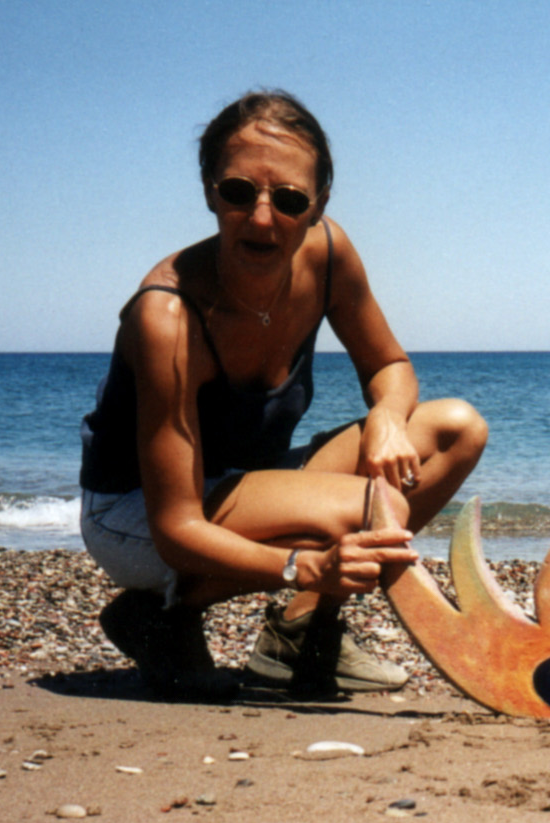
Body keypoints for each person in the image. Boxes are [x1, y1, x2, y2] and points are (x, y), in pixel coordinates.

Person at [79, 89, 487, 699]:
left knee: (455, 429)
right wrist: (304, 566)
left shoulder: (328, 254)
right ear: (209, 190)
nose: (263, 218)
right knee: (372, 507)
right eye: (239, 192)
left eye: (290, 199)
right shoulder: (169, 316)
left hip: (244, 481)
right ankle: (162, 613)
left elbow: (389, 365)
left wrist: (386, 416)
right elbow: (175, 526)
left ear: (319, 205)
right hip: (137, 516)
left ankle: (298, 631)